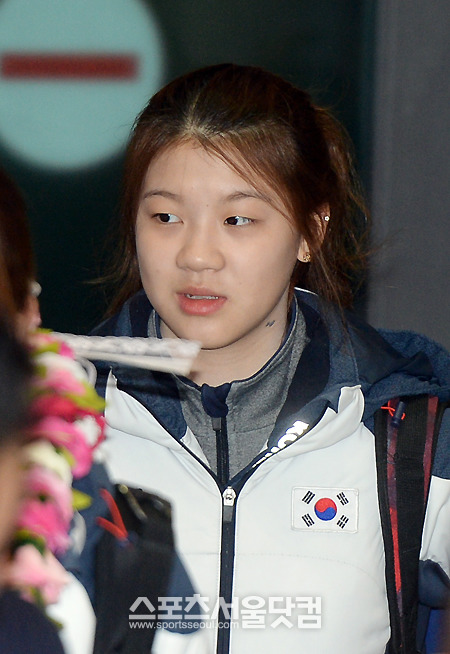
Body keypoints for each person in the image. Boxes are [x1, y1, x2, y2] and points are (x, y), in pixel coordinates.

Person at [89, 63, 450, 653]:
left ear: (311, 230)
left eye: (238, 219)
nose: (197, 255)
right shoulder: (57, 425)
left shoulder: (408, 429)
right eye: (165, 217)